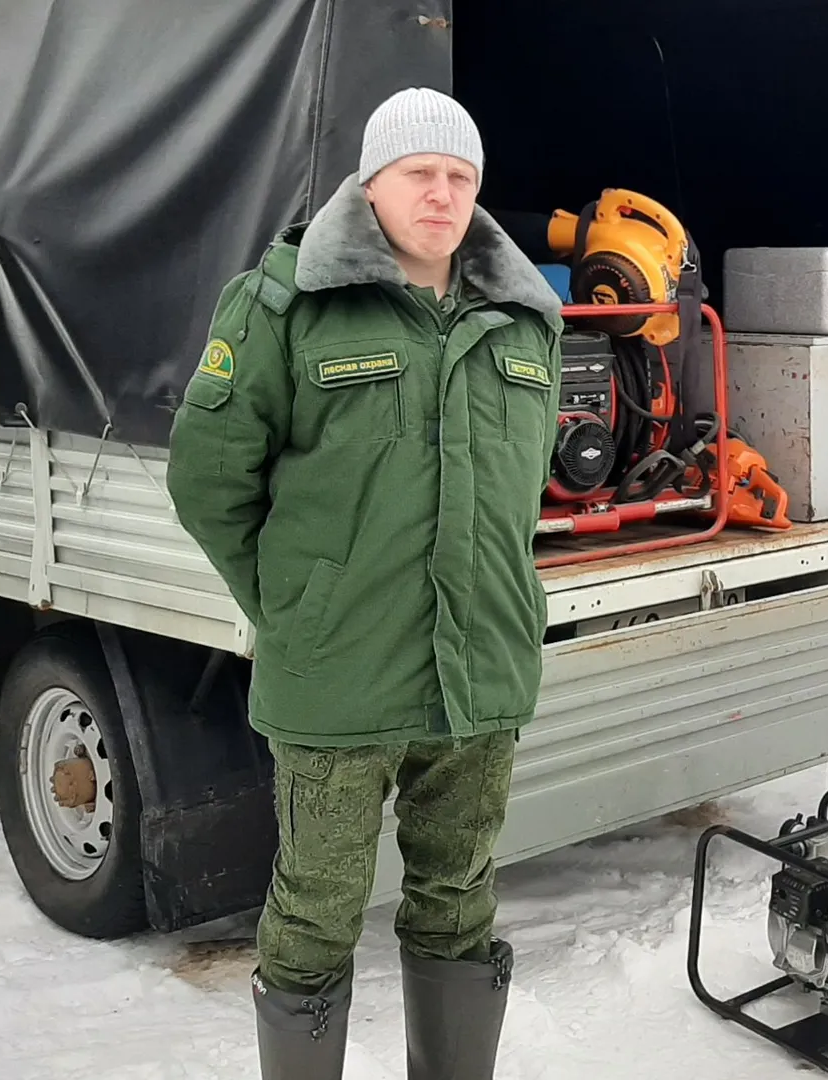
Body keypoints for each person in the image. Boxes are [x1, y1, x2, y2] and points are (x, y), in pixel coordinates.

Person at [166, 87, 564, 1080]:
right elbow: (209, 478)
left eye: (460, 177)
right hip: (336, 681)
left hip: (477, 682)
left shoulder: (526, 321)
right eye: (419, 173)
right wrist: (293, 605)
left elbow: (518, 495)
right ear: (371, 183)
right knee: (314, 911)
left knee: (459, 902)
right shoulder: (283, 303)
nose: (441, 194)